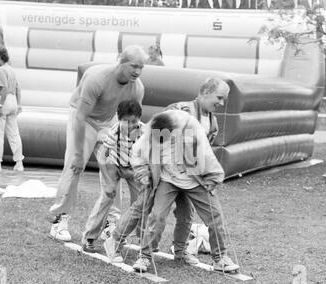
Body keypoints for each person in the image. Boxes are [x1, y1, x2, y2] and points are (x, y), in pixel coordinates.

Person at [104, 77, 229, 263]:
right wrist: (146, 169)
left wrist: (205, 174)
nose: (221, 102)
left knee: (186, 214)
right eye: (219, 97)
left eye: (224, 99)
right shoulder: (177, 110)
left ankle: (180, 250)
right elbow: (154, 137)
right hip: (162, 174)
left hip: (189, 178)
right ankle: (115, 241)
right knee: (143, 207)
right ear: (205, 92)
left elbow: (202, 153)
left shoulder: (212, 122)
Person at [48, 45, 147, 242]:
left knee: (115, 167)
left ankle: (111, 222)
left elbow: (130, 123)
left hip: (109, 122)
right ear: (121, 61)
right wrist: (77, 154)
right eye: (133, 66)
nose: (137, 71)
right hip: (84, 119)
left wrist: (131, 153)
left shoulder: (137, 88)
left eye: (141, 67)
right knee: (74, 167)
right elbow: (80, 116)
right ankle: (60, 219)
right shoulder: (97, 79)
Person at [130, 110, 240, 273]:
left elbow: (207, 155)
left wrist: (213, 177)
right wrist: (143, 173)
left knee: (210, 215)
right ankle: (145, 256)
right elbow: (137, 154)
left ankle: (219, 258)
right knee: (157, 215)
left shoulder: (192, 129)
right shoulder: (152, 130)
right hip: (168, 178)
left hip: (194, 178)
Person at [81, 100, 144, 252]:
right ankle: (89, 237)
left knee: (141, 201)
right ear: (118, 118)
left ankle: (139, 237)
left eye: (133, 121)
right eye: (126, 122)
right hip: (113, 165)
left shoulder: (144, 132)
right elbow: (102, 154)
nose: (130, 125)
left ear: (139, 119)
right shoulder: (115, 131)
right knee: (107, 198)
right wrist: (109, 182)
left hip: (132, 167)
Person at [0, 47, 24, 172]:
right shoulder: (11, 69)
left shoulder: (0, 70)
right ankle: (19, 163)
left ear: (1, 57)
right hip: (13, 101)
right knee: (14, 133)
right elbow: (18, 88)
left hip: (3, 100)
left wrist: (0, 106)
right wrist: (18, 104)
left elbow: (4, 89)